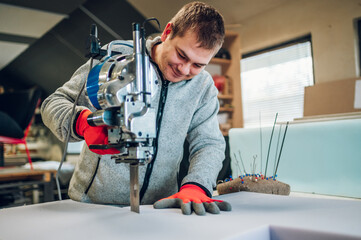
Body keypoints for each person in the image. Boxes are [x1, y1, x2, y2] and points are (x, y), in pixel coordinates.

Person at [41, 1, 231, 215]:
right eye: (182, 55)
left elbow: (209, 143)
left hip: (162, 208)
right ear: (168, 32)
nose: (185, 69)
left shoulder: (203, 86)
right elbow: (54, 103)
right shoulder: (115, 58)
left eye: (198, 65)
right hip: (92, 205)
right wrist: (81, 123)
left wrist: (197, 185)